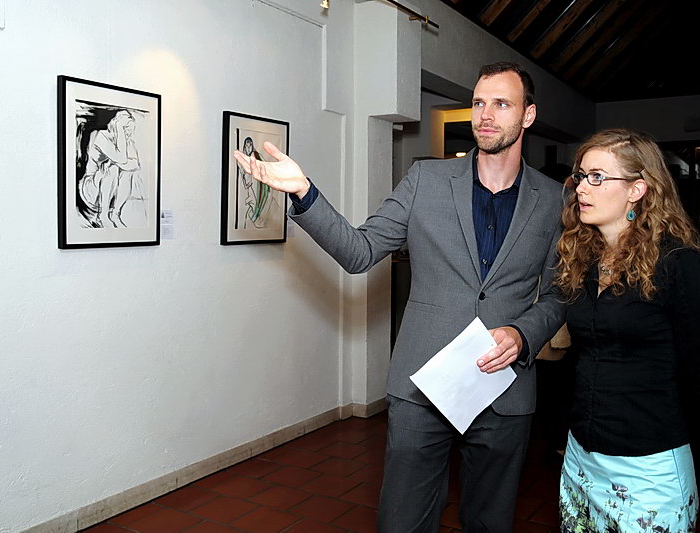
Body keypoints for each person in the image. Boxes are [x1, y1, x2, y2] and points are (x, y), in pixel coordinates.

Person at [234, 62, 565, 532]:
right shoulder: (425, 181)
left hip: (503, 387)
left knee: (490, 522)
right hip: (422, 386)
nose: (485, 115)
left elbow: (559, 293)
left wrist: (522, 333)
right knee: (403, 521)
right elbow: (359, 251)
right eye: (478, 103)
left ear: (528, 115)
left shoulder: (554, 200)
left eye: (501, 104)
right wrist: (304, 192)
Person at [554, 129, 700, 533]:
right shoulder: (584, 259)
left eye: (598, 177)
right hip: (581, 456)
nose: (582, 188)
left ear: (637, 190)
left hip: (647, 465)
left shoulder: (681, 264)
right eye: (581, 176)